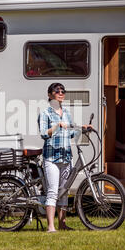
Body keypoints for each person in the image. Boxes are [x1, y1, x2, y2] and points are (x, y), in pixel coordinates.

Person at [38, 82, 92, 232]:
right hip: (51, 158)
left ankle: (62, 224)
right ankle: (51, 227)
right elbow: (43, 133)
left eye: (63, 91)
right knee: (53, 191)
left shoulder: (66, 112)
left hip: (66, 157)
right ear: (50, 95)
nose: (60, 93)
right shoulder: (46, 113)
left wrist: (83, 128)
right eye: (57, 91)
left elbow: (71, 131)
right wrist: (56, 126)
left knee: (64, 191)